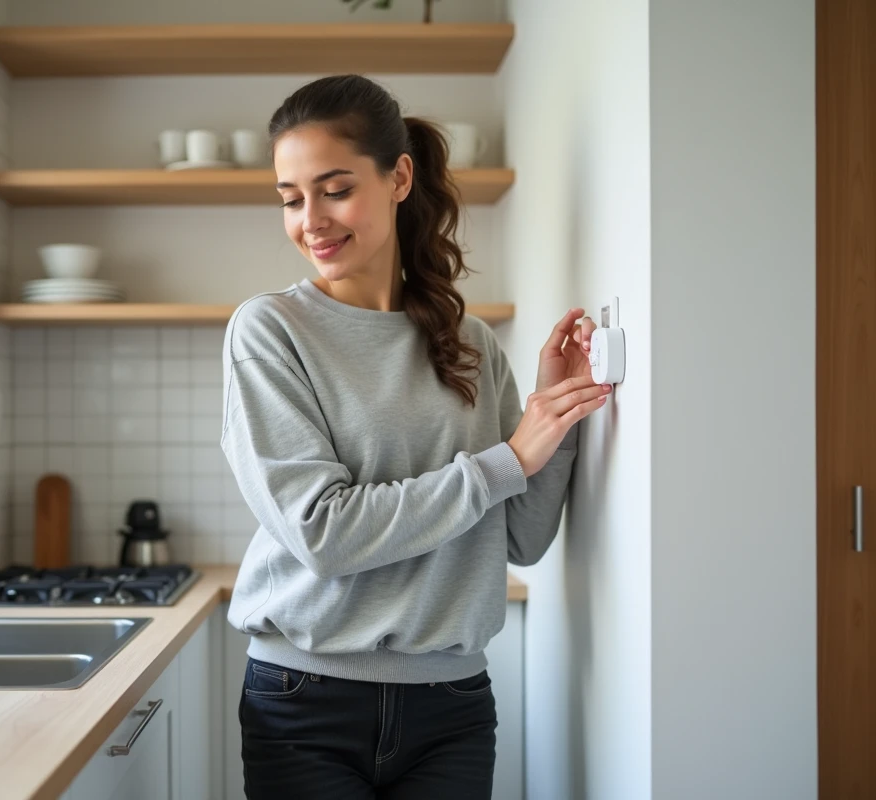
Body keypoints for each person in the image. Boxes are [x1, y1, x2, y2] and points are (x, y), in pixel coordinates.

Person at [219, 74, 605, 799]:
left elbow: (521, 537)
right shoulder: (270, 330)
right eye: (291, 198)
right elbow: (322, 532)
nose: (311, 220)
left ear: (399, 177)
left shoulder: (470, 343)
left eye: (334, 189)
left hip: (452, 705)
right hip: (304, 701)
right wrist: (509, 457)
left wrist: (556, 414)